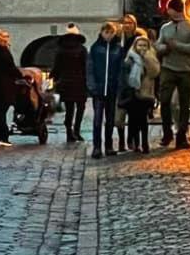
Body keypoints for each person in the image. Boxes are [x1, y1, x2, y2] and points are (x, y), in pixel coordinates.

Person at [155, 0, 190, 149]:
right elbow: (158, 45)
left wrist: (177, 45)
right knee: (165, 101)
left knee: (184, 104)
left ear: (176, 10)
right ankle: (167, 132)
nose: (168, 12)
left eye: (169, 9)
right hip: (168, 68)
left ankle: (181, 135)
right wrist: (165, 49)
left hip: (186, 70)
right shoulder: (165, 28)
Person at [86, 21, 123, 159]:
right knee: (97, 119)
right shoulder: (95, 48)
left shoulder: (118, 49)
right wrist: (92, 86)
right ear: (102, 33)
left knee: (110, 120)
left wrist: (119, 85)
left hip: (112, 89)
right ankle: (96, 147)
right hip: (99, 90)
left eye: (111, 33)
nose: (108, 35)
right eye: (106, 32)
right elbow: (90, 69)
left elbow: (120, 70)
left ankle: (108, 146)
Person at [121, 34, 160, 154]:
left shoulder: (151, 57)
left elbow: (155, 73)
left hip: (145, 93)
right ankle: (135, 143)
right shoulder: (130, 58)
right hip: (133, 93)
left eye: (144, 45)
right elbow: (125, 73)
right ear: (135, 46)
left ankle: (144, 144)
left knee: (143, 120)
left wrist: (146, 59)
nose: (142, 48)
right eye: (139, 45)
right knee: (133, 120)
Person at [52, 23, 87, 143]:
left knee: (69, 108)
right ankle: (77, 130)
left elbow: (56, 67)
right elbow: (86, 67)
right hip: (80, 82)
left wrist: (53, 80)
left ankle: (69, 132)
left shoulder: (60, 50)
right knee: (81, 107)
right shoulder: (82, 49)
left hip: (65, 82)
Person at [114, 14, 139, 152]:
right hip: (120, 82)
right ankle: (122, 141)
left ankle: (132, 140)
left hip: (134, 81)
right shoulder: (118, 41)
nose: (127, 25)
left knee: (134, 115)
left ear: (134, 25)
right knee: (119, 116)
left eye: (130, 23)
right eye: (124, 23)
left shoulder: (137, 40)